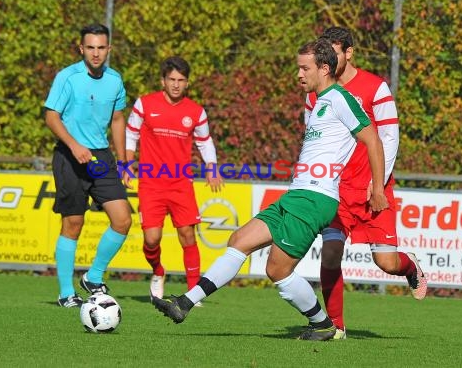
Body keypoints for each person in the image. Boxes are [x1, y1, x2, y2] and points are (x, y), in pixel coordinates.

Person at [151, 39, 389, 341]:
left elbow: (374, 141)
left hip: (316, 198)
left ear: (324, 68)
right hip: (298, 194)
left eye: (305, 68)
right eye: (298, 68)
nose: (299, 75)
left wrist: (377, 189)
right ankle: (184, 303)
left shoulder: (341, 99)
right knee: (239, 239)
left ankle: (323, 325)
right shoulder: (319, 102)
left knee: (277, 270)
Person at [305, 27, 428, 339]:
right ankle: (336, 328)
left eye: (335, 54)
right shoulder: (316, 93)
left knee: (386, 262)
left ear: (349, 53)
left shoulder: (376, 88)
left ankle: (409, 268)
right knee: (331, 252)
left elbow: (389, 137)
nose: (329, 60)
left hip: (374, 187)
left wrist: (377, 183)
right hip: (336, 190)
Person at [44, 23, 132, 307]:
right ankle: (66, 293)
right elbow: (51, 116)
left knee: (122, 219)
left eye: (101, 47)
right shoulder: (67, 78)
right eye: (90, 47)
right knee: (73, 222)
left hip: (101, 158)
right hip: (70, 157)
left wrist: (124, 161)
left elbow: (118, 120)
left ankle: (93, 278)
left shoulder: (115, 80)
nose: (96, 53)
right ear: (81, 49)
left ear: (109, 49)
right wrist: (74, 145)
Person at [125, 56, 224, 301]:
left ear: (187, 83)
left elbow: (204, 141)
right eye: (172, 79)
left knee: (188, 235)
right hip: (151, 183)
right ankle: (158, 271)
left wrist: (212, 167)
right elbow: (131, 133)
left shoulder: (195, 111)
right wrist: (127, 164)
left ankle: (193, 293)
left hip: (181, 183)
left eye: (181, 80)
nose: (176, 84)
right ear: (163, 81)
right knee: (152, 238)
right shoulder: (145, 104)